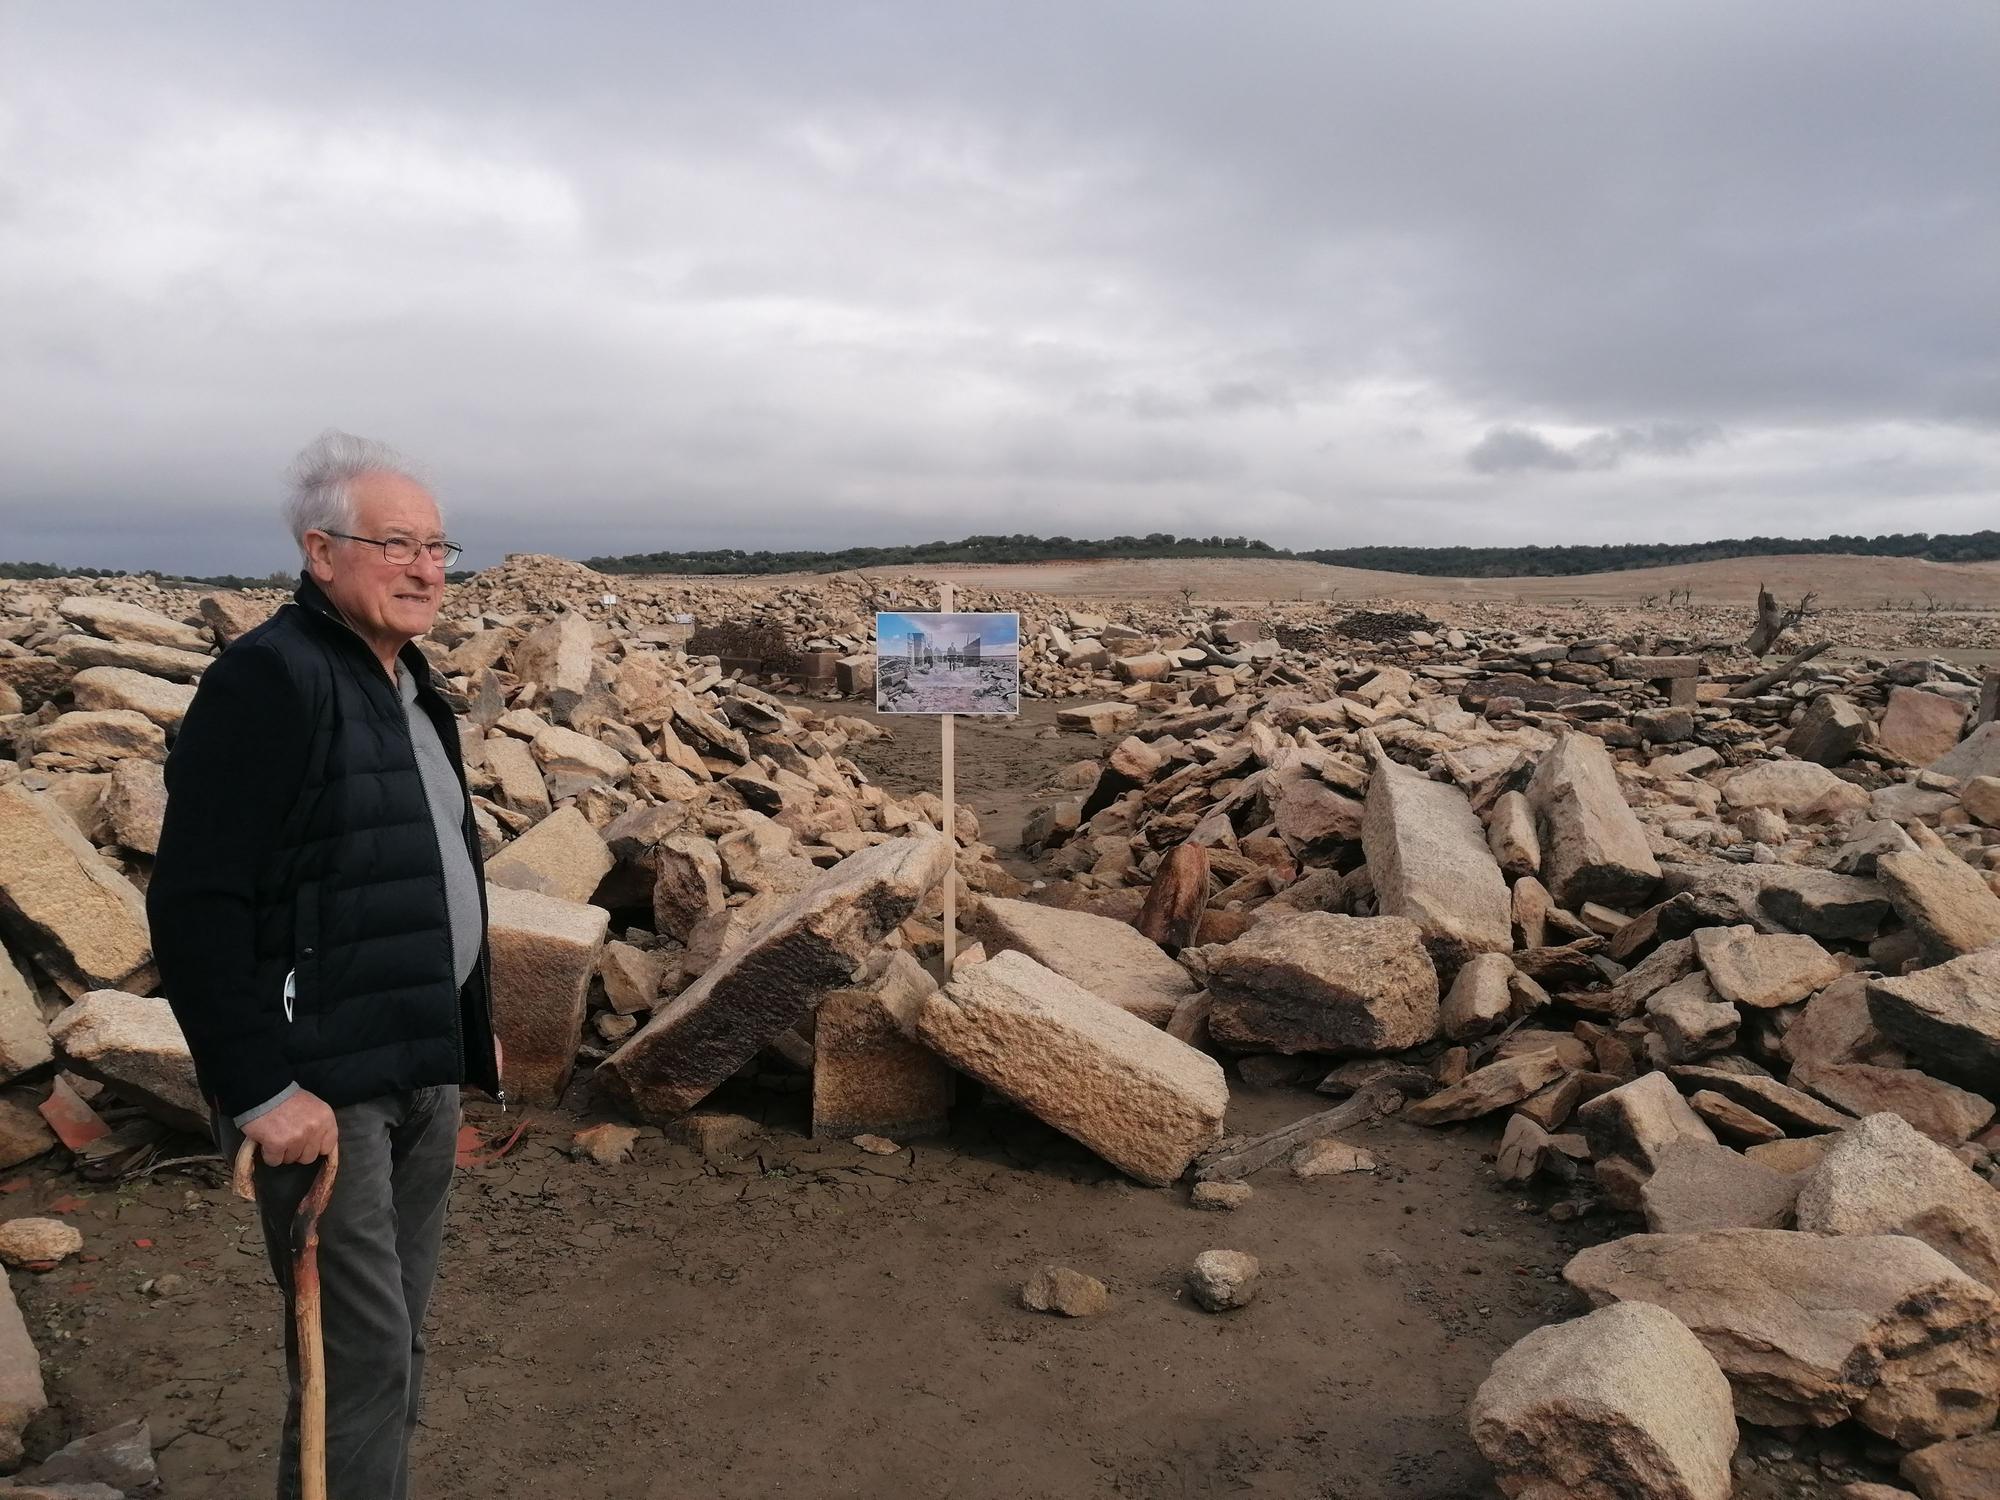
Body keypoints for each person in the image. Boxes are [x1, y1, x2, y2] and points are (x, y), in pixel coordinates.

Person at [149, 429, 503, 1500]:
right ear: (320, 551)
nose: (427, 569)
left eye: (439, 546)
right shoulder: (270, 679)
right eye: (396, 543)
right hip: (323, 1090)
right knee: (358, 1357)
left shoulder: (406, 680)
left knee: (394, 1344)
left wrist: (462, 1013)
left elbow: (418, 865)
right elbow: (193, 897)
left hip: (417, 1068)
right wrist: (258, 1085)